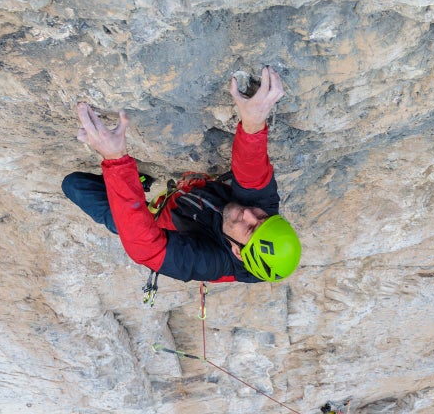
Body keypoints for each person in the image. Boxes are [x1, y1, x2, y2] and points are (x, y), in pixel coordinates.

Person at [62, 66, 301, 284]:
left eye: (249, 228)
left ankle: (137, 187)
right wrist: (253, 122)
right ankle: (137, 186)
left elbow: (146, 248)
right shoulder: (262, 214)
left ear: (237, 251)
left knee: (74, 185)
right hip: (190, 199)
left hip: (161, 224)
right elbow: (253, 173)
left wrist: (116, 160)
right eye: (262, 218)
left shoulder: (213, 263)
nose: (249, 213)